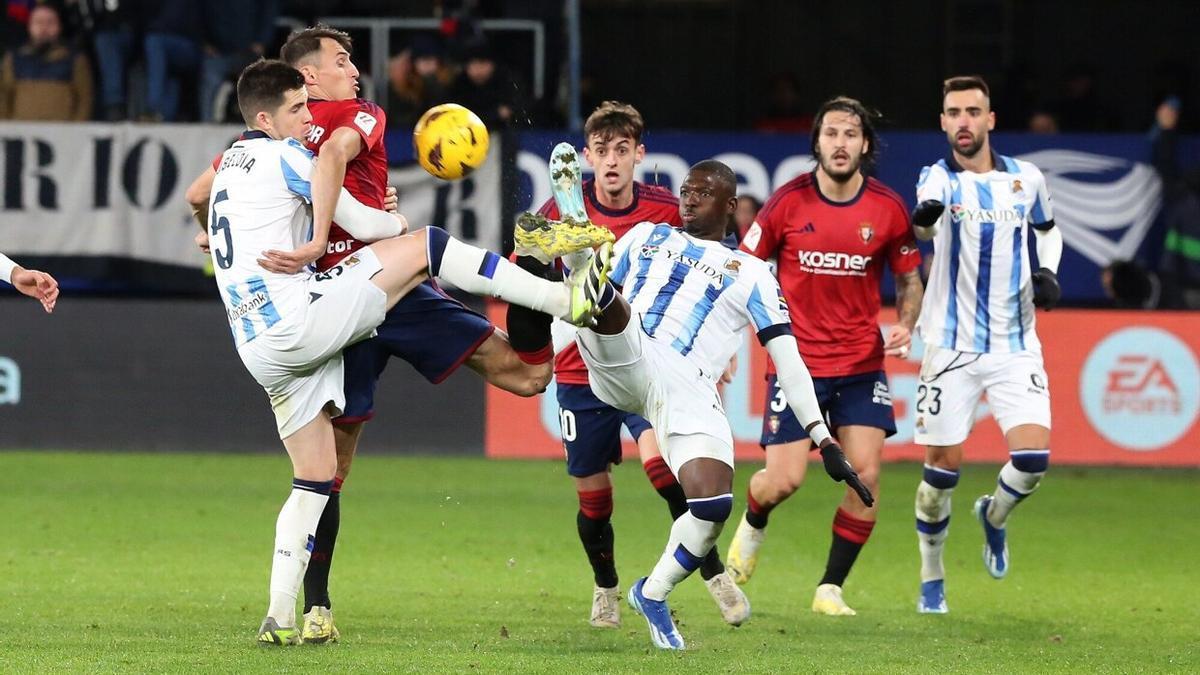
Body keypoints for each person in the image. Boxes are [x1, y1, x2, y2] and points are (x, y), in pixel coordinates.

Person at [187, 25, 592, 644]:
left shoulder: (241, 151)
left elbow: (198, 193)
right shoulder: (331, 127)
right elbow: (334, 164)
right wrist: (376, 222)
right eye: (341, 61)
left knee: (322, 471)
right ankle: (563, 296)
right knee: (426, 248)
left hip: (285, 332)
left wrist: (211, 233)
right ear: (304, 81)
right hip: (334, 298)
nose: (355, 70)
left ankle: (282, 613)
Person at [565, 157, 873, 650]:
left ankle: (654, 592)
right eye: (686, 190)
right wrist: (536, 353)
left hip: (688, 388)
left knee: (712, 506)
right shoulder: (646, 237)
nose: (688, 198)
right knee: (596, 293)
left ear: (730, 206)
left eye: (702, 192)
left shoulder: (752, 274)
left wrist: (823, 437)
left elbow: (789, 361)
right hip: (632, 353)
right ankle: (572, 243)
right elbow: (578, 305)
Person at [530, 102, 748, 629]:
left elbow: (721, 267)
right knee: (594, 500)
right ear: (586, 157)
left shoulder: (664, 210)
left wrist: (725, 347)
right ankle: (606, 587)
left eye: (622, 151)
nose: (611, 161)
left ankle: (713, 573)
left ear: (639, 155)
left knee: (663, 469)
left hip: (648, 362)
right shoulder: (561, 210)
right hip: (580, 371)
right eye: (601, 151)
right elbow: (528, 278)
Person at [725, 96, 924, 616]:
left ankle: (829, 588)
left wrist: (906, 324)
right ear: (816, 142)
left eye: (850, 134)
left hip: (861, 365)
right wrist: (724, 344)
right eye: (831, 133)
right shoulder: (786, 204)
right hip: (798, 366)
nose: (840, 143)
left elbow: (908, 277)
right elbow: (741, 271)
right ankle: (753, 518)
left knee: (867, 478)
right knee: (784, 481)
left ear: (865, 145)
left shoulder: (887, 208)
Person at [908, 75, 1062, 614]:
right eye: (955, 112)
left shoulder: (1027, 178)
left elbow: (1047, 228)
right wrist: (925, 221)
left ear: (990, 119)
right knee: (938, 478)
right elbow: (925, 220)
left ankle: (993, 516)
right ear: (944, 122)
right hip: (950, 348)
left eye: (974, 111)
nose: (965, 121)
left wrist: (1047, 271)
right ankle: (932, 574)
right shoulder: (939, 179)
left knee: (1033, 458)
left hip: (1015, 343)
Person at [0, 3, 93, 121]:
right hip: (22, 135)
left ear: (59, 27)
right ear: (30, 26)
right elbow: (3, 97)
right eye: (39, 22)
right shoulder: (13, 59)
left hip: (63, 135)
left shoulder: (75, 59)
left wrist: (76, 130)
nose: (44, 28)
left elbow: (85, 100)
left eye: (50, 22)